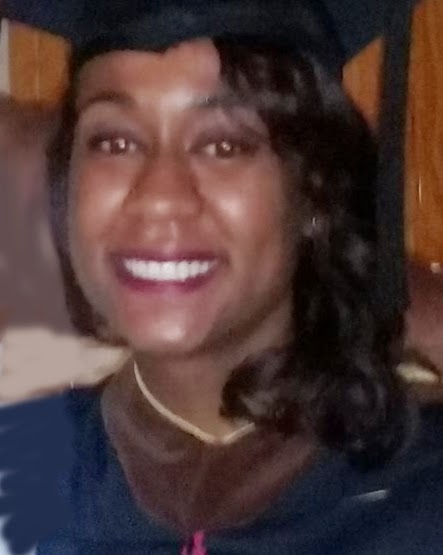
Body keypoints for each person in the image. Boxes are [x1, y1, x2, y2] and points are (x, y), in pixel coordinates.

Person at [7, 1, 443, 553]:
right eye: (115, 142)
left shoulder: (422, 499)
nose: (159, 197)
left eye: (223, 145)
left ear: (314, 193)